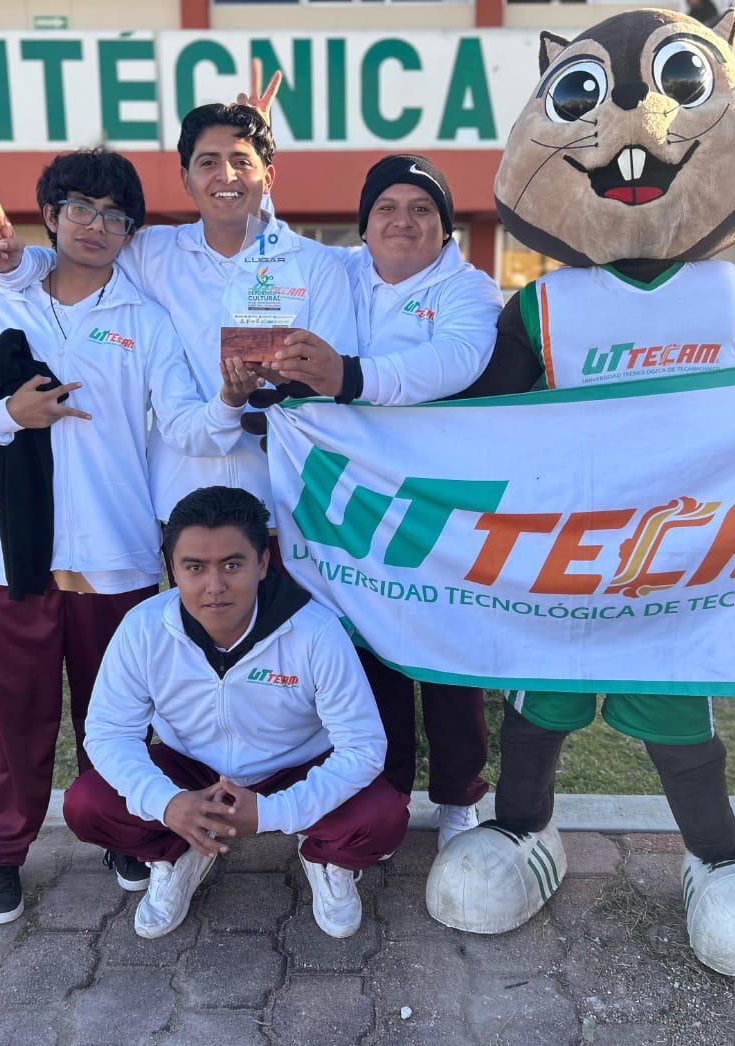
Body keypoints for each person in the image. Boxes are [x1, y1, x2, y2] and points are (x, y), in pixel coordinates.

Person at [0, 149, 261, 925]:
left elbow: (185, 423)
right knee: (13, 722)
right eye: (81, 208)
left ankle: (122, 834)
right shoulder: (4, 312)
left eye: (115, 216)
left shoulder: (143, 321)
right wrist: (12, 415)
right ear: (50, 216)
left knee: (116, 720)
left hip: (119, 562)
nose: (97, 226)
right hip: (16, 563)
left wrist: (228, 400)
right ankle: (3, 853)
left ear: (129, 232)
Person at [252, 153, 503, 848]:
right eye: (386, 208)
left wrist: (350, 375)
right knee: (367, 649)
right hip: (351, 501)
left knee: (445, 653)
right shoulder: (336, 272)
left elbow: (453, 362)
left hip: (436, 503)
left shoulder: (470, 290)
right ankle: (383, 792)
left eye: (422, 209)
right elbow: (266, 249)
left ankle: (458, 798)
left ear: (446, 227)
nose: (403, 221)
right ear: (363, 225)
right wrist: (256, 174)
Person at [0, 103, 358, 553]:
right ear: (185, 179)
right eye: (208, 162)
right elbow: (78, 259)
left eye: (241, 162)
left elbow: (335, 384)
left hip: (291, 502)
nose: (226, 176)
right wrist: (16, 265)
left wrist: (287, 394)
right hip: (182, 501)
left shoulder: (316, 266)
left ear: (268, 177)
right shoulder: (151, 252)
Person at [63, 485, 409, 939]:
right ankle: (176, 851)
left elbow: (362, 747)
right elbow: (109, 732)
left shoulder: (316, 631)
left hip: (294, 768)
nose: (214, 586)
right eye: (195, 567)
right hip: (192, 768)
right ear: (172, 568)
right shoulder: (143, 628)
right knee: (87, 805)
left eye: (232, 565)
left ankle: (324, 858)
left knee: (383, 817)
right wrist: (167, 803)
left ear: (262, 563)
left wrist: (273, 812)